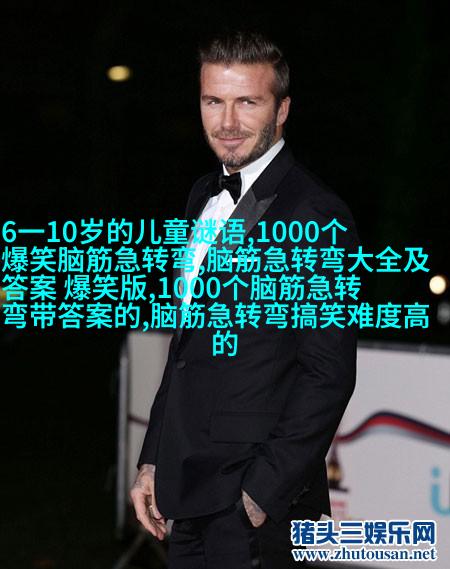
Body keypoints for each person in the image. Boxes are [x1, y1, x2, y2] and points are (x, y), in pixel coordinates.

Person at [130, 31, 360, 568]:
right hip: (186, 492)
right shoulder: (201, 195)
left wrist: (259, 496)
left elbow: (327, 374)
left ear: (282, 110)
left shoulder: (316, 214)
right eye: (214, 101)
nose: (227, 122)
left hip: (256, 513)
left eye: (247, 102)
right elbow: (185, 349)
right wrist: (152, 460)